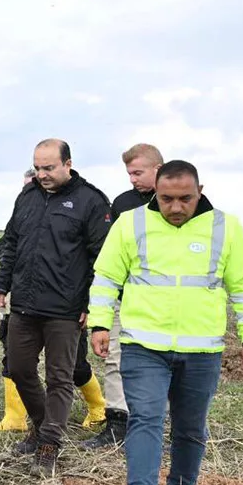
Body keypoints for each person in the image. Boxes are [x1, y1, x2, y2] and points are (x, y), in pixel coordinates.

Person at [89, 160, 243, 485]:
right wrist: (99, 322)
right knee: (145, 417)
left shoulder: (225, 228)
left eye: (185, 199)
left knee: (190, 427)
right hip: (143, 345)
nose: (176, 208)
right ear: (156, 194)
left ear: (200, 191)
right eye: (167, 199)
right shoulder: (130, 223)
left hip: (202, 350)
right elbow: (106, 278)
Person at [0, 139, 111, 476]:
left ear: (67, 164)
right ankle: (43, 425)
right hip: (25, 305)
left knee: (60, 377)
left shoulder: (91, 201)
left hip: (65, 308)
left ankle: (48, 444)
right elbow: (12, 241)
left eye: (49, 168)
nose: (41, 174)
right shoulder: (27, 196)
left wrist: (91, 303)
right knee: (18, 368)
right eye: (38, 167)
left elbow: (102, 259)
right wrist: (2, 283)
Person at [82, 143, 165, 450]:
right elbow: (109, 253)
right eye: (129, 173)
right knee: (115, 358)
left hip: (163, 299)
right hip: (123, 296)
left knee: (161, 362)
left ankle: (154, 427)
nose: (132, 179)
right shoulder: (122, 203)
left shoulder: (177, 202)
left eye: (138, 172)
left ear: (158, 168)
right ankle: (117, 424)